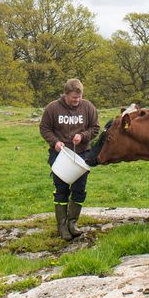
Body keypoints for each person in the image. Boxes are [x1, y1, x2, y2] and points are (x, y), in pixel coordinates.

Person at [39, 78, 98, 240]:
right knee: (61, 189)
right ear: (66, 94)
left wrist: (83, 136)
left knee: (79, 189)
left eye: (79, 97)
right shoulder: (53, 108)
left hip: (82, 155)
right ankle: (62, 226)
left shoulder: (88, 107)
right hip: (60, 155)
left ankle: (72, 223)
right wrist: (55, 142)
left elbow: (95, 128)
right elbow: (44, 128)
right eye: (74, 97)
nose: (77, 100)